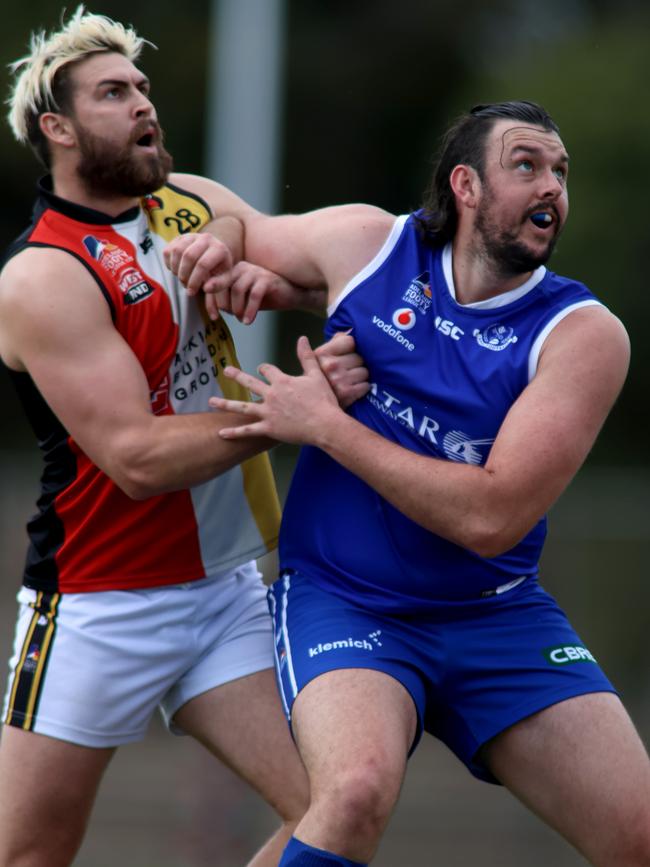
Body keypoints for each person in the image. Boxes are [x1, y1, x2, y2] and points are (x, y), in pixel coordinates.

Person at [192, 101, 650, 865]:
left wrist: (327, 424)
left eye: (561, 172)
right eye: (527, 165)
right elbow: (227, 213)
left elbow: (490, 518)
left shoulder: (582, 334)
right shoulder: (369, 246)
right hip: (347, 599)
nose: (552, 188)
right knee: (355, 788)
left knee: (638, 833)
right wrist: (219, 249)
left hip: (493, 614)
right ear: (465, 185)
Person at [0, 9, 369, 867]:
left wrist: (232, 240)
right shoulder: (43, 272)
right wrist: (291, 412)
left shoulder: (187, 202)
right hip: (97, 603)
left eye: (143, 89)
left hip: (223, 593)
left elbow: (294, 256)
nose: (141, 104)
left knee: (337, 807)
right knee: (28, 856)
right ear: (57, 128)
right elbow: (136, 458)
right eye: (112, 92)